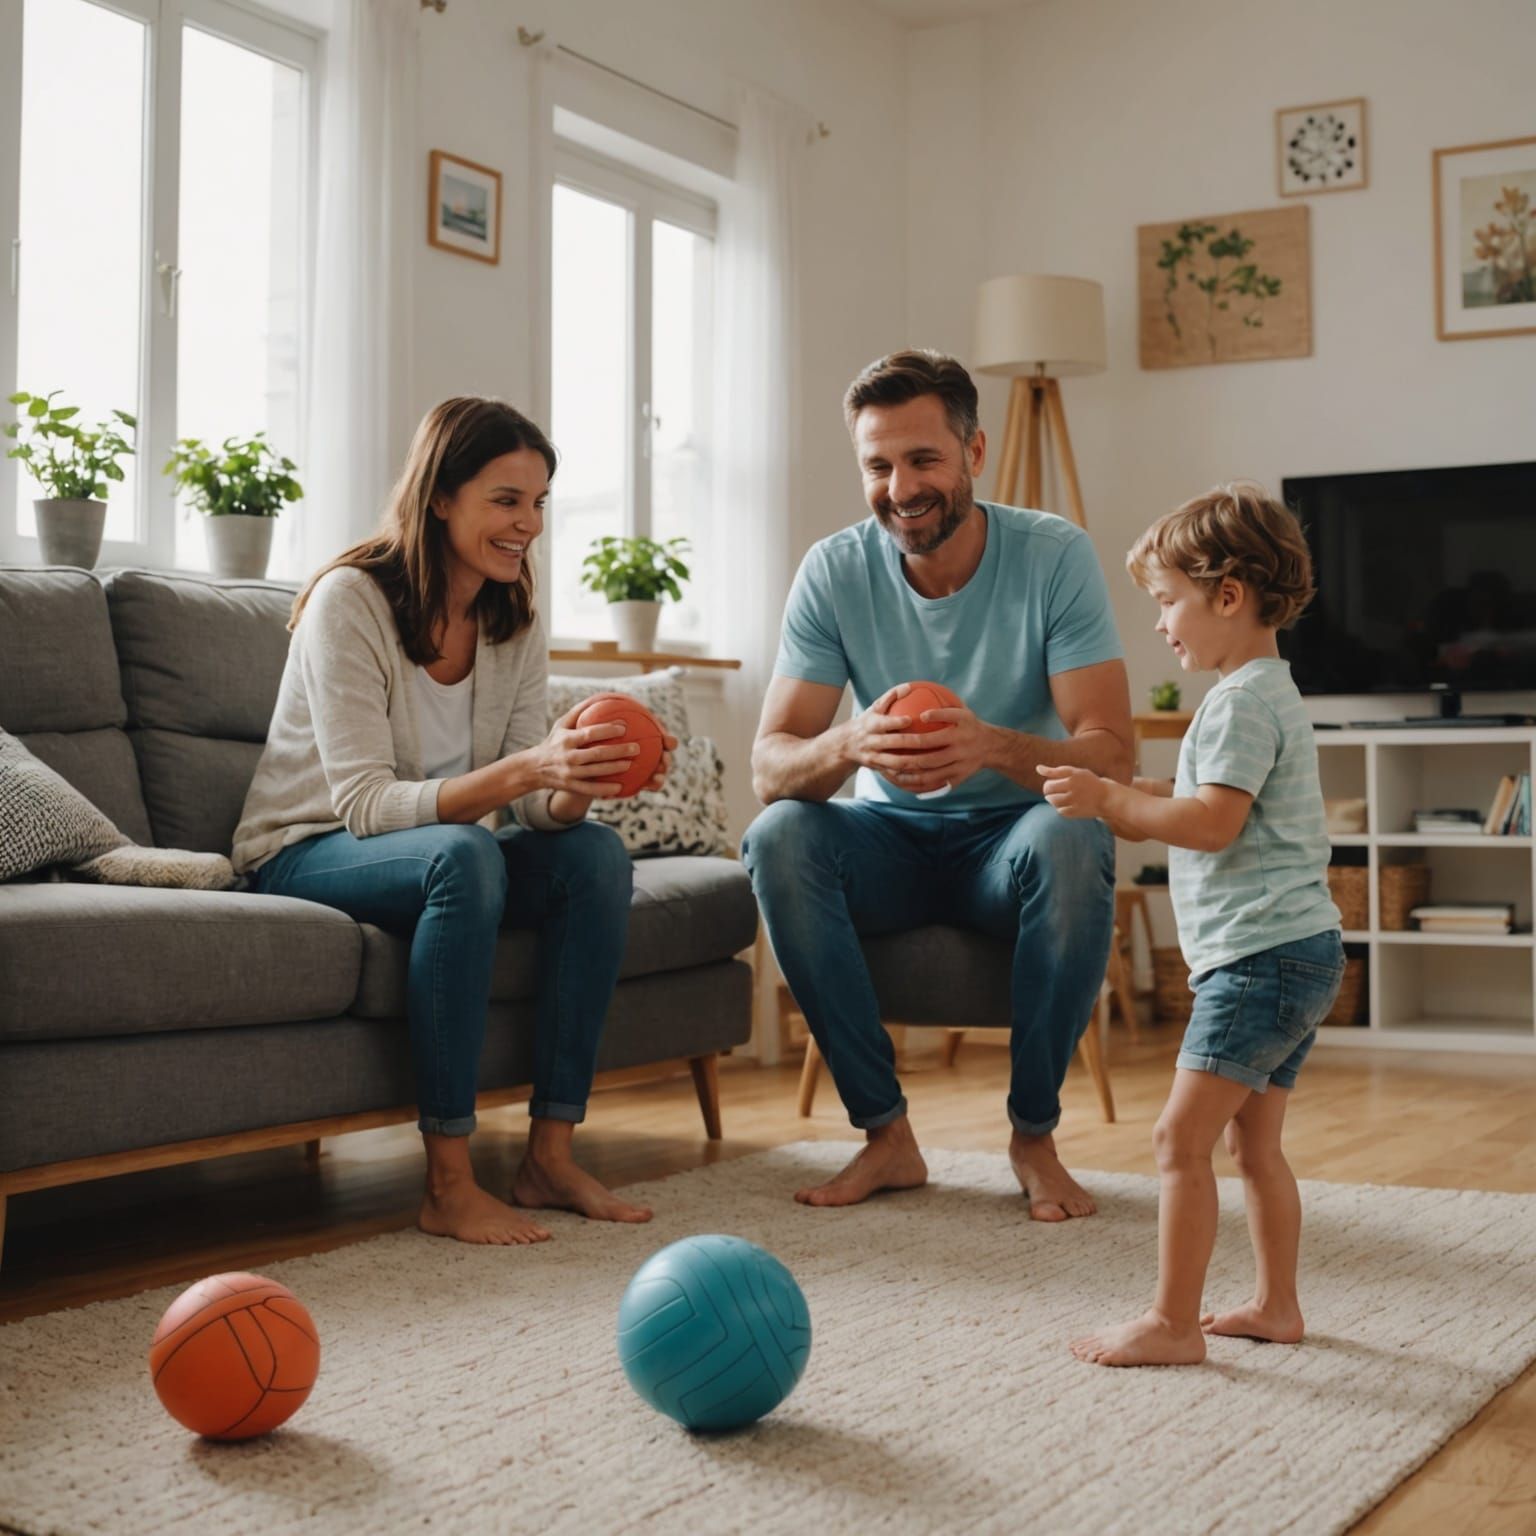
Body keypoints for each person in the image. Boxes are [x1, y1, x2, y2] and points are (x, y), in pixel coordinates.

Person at [232, 397, 675, 1246]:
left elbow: (533, 808)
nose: (529, 525)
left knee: (592, 858)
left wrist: (578, 782)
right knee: (466, 857)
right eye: (506, 500)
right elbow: (364, 803)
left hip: (442, 850)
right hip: (308, 848)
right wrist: (529, 768)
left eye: (539, 503)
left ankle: (549, 1156)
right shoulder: (348, 602)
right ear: (441, 496)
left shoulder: (513, 621)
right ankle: (447, 1184)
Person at [742, 349, 1132, 1215]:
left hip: (1012, 843)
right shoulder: (834, 570)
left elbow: (1110, 756)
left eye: (923, 459)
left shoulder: (1053, 556)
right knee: (778, 834)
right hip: (888, 844)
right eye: (877, 465)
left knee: (1076, 830)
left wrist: (990, 746)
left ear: (975, 453)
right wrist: (853, 740)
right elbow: (771, 766)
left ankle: (1033, 1139)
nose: (900, 486)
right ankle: (886, 1138)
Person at [1046, 481, 1344, 1367]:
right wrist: (1139, 794)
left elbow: (1213, 825)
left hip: (1258, 957)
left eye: (1169, 600)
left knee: (1180, 1137)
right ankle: (1276, 1305)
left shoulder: (1240, 702)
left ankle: (1174, 1324)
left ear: (1229, 594)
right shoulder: (1264, 692)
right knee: (1257, 1147)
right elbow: (1218, 803)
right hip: (1295, 950)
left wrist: (1113, 804)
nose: (1161, 623)